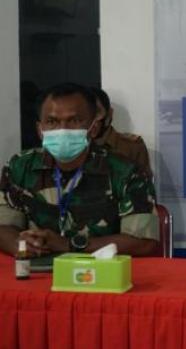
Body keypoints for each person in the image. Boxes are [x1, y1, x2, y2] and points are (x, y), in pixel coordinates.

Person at [0, 83, 159, 257]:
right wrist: (21, 245)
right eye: (52, 122)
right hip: (36, 267)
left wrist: (70, 245)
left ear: (93, 128)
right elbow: (3, 226)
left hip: (101, 269)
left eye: (74, 121)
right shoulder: (20, 166)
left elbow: (144, 242)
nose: (62, 129)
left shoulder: (126, 172)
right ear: (40, 129)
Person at [89, 86, 153, 178]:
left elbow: (144, 183)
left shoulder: (133, 146)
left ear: (109, 114)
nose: (91, 120)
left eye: (96, 112)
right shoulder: (77, 147)